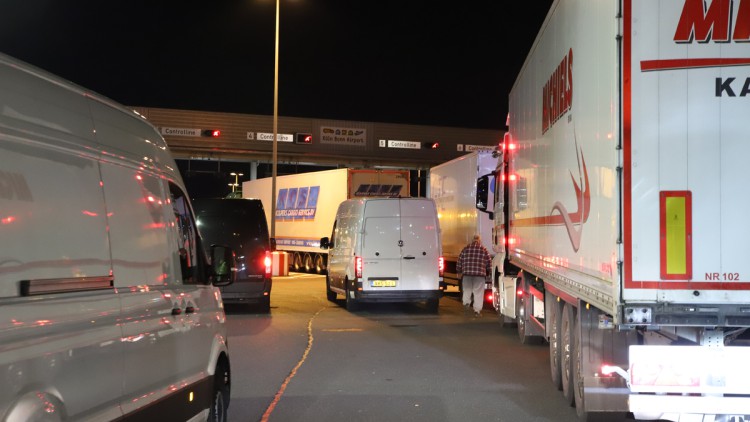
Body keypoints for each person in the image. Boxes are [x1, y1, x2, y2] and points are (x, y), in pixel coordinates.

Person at [456, 234, 492, 317]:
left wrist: (458, 271)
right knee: (478, 293)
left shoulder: (465, 249)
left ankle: (466, 304)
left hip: (467, 275)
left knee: (467, 290)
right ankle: (477, 311)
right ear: (479, 240)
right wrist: (490, 273)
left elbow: (459, 261)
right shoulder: (484, 250)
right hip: (479, 276)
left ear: (472, 240)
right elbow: (489, 263)